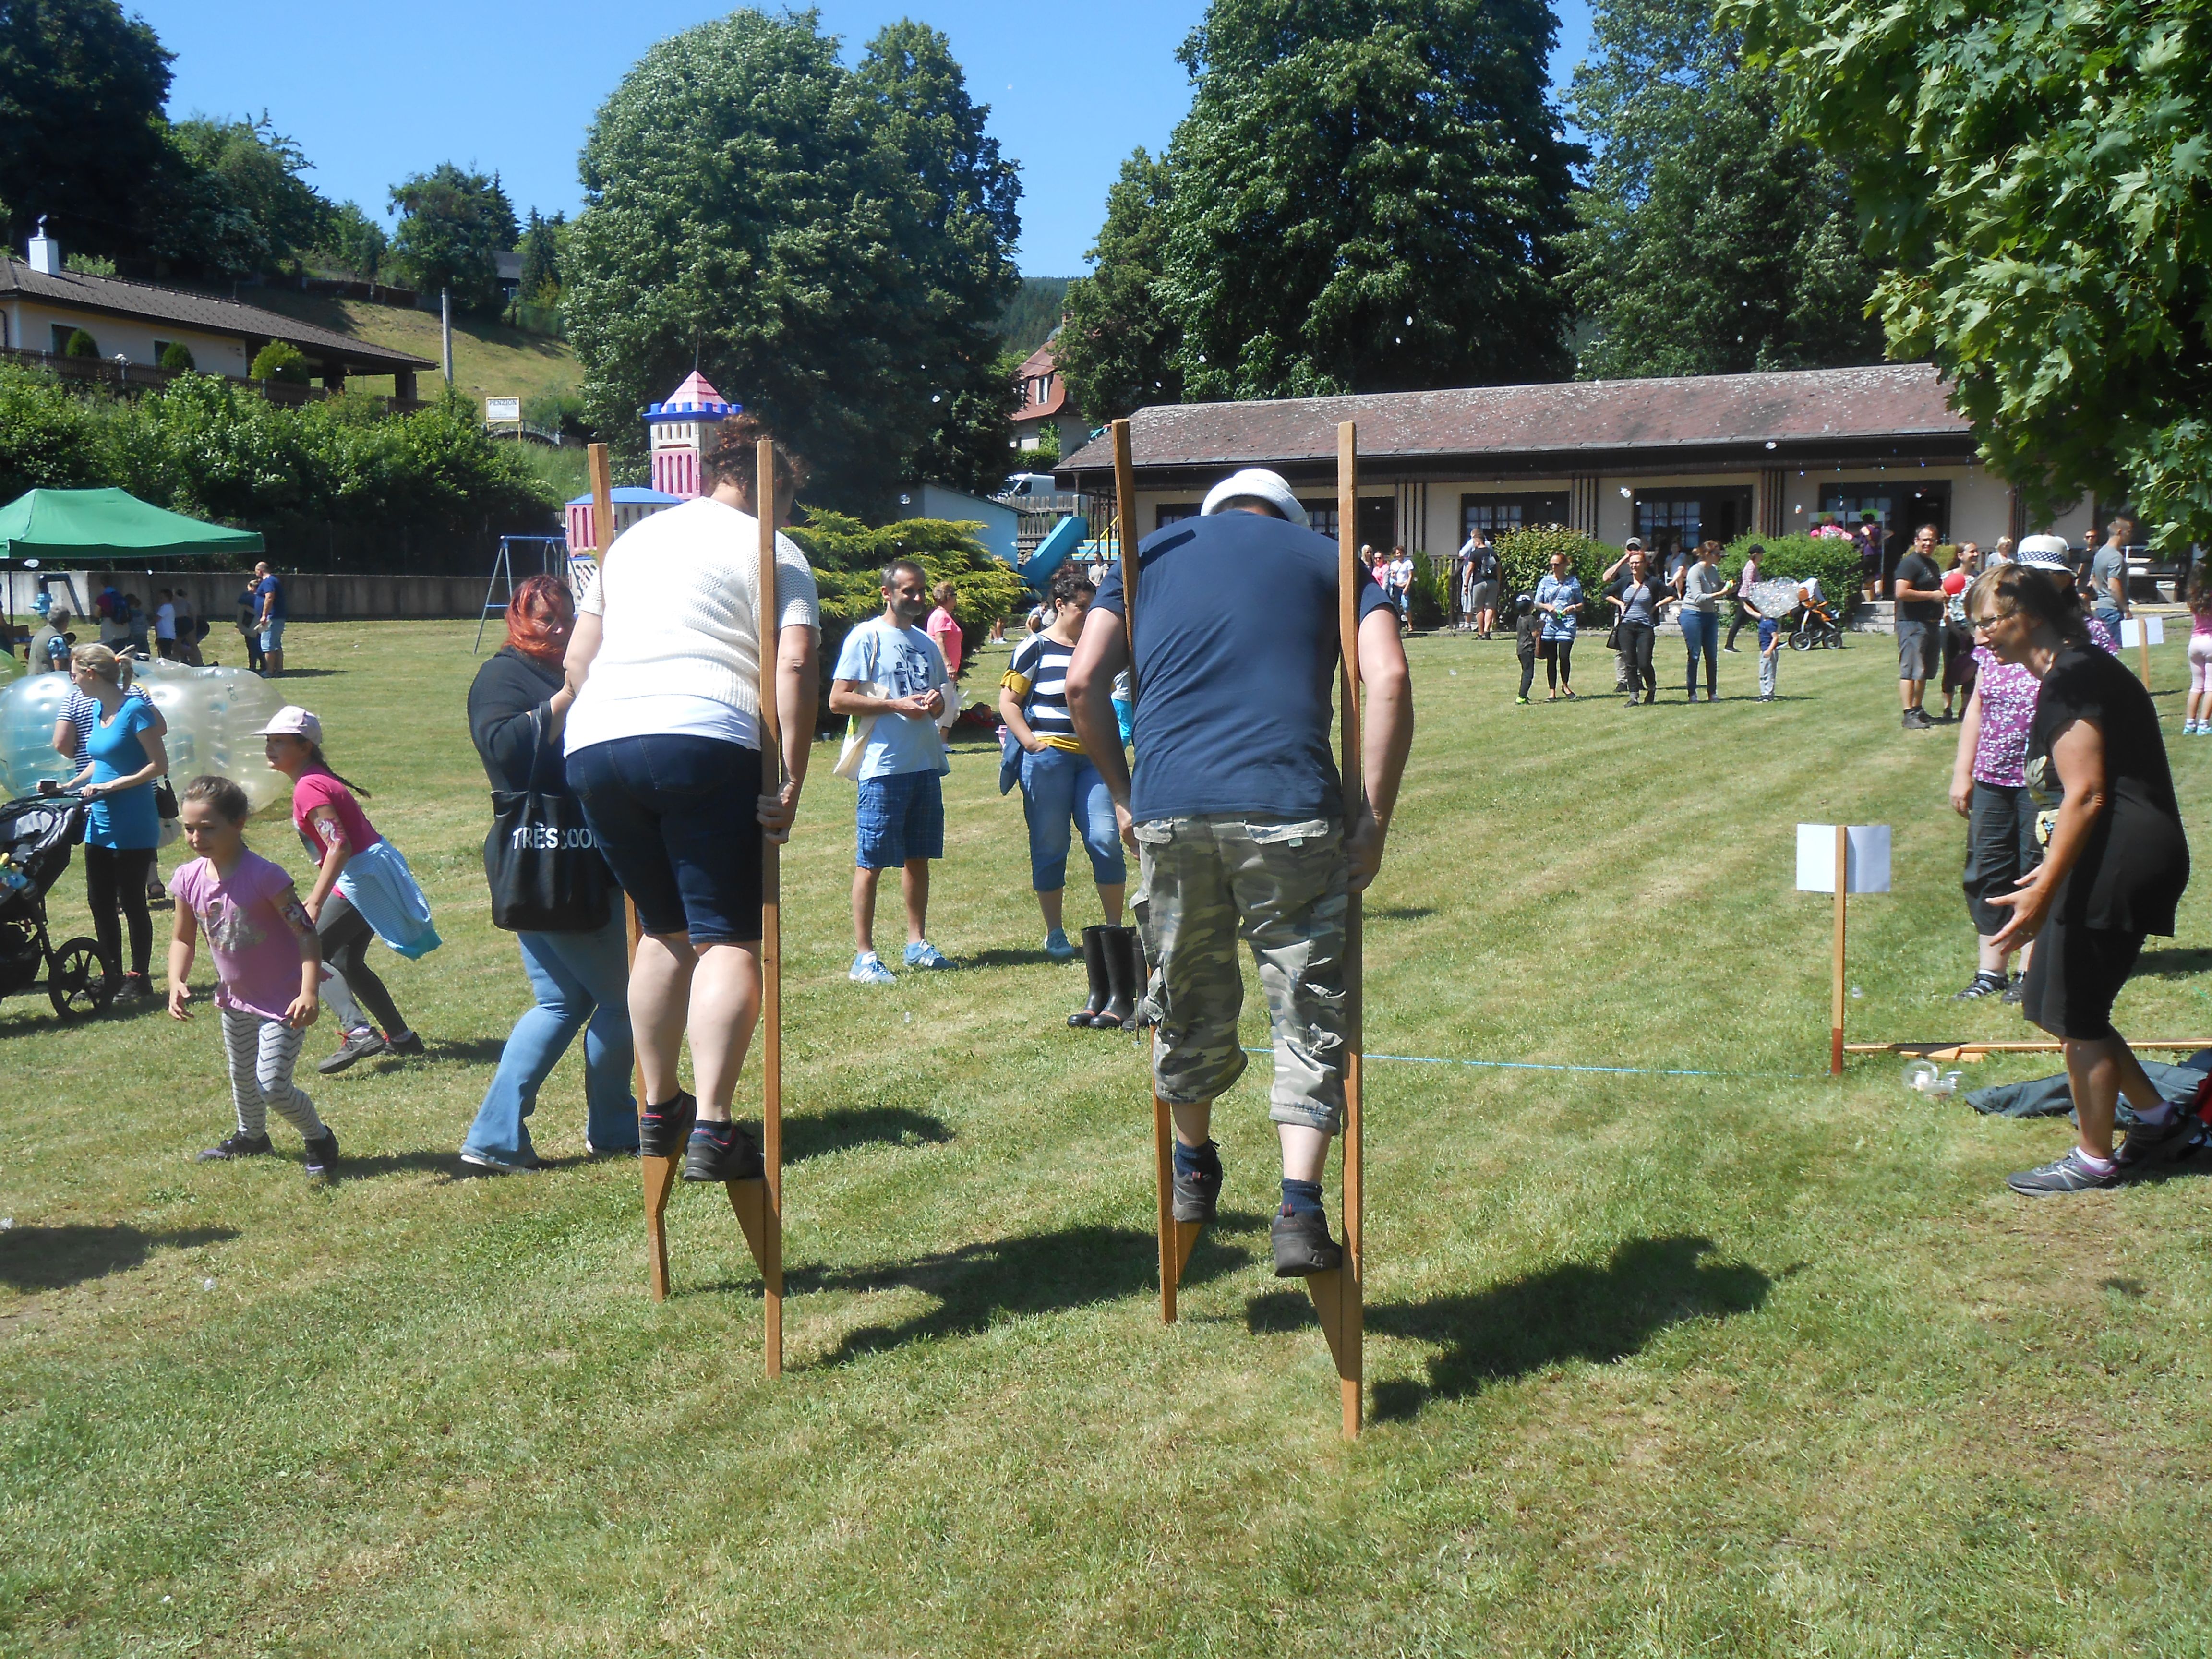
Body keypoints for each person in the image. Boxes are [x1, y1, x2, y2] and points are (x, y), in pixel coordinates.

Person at [1063, 466, 1414, 1275]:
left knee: (1185, 993)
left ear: (1213, 511)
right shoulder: (1329, 559)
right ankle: (1299, 1208)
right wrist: (1372, 823)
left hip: (1171, 806)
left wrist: (1123, 795)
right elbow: (1389, 677)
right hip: (1288, 807)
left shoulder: (1149, 557)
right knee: (1305, 1004)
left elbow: (1082, 681)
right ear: (1285, 517)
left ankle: (1192, 1169)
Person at [563, 414, 820, 1184]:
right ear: (774, 489)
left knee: (661, 930)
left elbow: (578, 659)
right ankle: (712, 1124)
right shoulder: (774, 549)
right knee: (729, 939)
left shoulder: (630, 544)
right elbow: (796, 663)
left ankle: (657, 1105)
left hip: (596, 743)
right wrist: (792, 776)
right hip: (704, 735)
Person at [1969, 565, 2193, 1194]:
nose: (1980, 635)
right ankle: (2158, 1120)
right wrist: (2051, 870)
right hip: (2110, 851)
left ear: (2031, 616)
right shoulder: (2074, 669)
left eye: (1988, 621)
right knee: (2054, 1003)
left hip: (2120, 857)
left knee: (2077, 1012)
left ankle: (2095, 1160)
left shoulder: (2073, 676)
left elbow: (2088, 793)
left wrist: (2044, 889)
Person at [461, 575, 637, 1173]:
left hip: (563, 860)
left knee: (560, 1002)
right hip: (550, 861)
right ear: (519, 620)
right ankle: (614, 1125)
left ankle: (495, 1137)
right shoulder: (502, 676)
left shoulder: (584, 665)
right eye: (545, 619)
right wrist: (566, 698)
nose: (559, 630)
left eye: (567, 618)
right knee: (623, 999)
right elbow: (503, 750)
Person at [167, 774, 339, 1176]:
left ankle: (319, 1138)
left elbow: (305, 933)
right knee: (242, 1076)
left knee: (272, 1085)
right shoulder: (188, 878)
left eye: (208, 828)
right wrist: (176, 980)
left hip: (284, 1001)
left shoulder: (265, 876)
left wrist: (309, 992)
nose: (196, 838)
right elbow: (182, 938)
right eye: (189, 829)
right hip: (236, 998)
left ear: (238, 823)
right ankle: (252, 1137)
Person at [259, 707, 434, 1073]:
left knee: (306, 949)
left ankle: (359, 1032)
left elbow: (339, 846)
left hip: (361, 877)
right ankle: (401, 1037)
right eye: (269, 741)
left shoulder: (309, 786)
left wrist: (316, 901)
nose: (270, 748)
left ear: (305, 747)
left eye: (280, 741)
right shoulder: (313, 779)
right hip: (365, 874)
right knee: (344, 960)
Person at [830, 558, 957, 984]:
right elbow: (838, 700)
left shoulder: (925, 643)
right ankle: (864, 957)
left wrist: (936, 704)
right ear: (886, 593)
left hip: (923, 763)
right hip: (882, 766)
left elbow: (939, 700)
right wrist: (892, 705)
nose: (917, 597)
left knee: (918, 857)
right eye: (908, 591)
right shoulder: (866, 637)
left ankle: (917, 944)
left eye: (921, 590)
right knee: (871, 861)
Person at [1000, 563, 1128, 982]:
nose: (1090, 615)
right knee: (1051, 844)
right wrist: (1032, 744)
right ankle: (1055, 932)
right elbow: (1008, 703)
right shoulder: (1034, 647)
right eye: (1082, 608)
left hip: (1094, 760)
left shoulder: (1096, 649)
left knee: (1106, 839)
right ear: (1060, 605)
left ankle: (1114, 929)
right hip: (1048, 759)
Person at [39, 644, 167, 1001]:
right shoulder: (98, 708)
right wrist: (69, 785)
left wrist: (113, 786)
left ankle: (139, 977)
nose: (73, 681)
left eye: (75, 674)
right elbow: (102, 760)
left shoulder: (135, 709)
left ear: (91, 674)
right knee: (100, 902)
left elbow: (159, 765)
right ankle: (111, 974)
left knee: (133, 901)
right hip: (100, 821)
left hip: (133, 821)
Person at [1947, 574, 2046, 1002]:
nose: (1981, 635)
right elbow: (1976, 708)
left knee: (2034, 869)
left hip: (2042, 784)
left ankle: (2031, 971)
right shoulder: (1991, 655)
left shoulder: (2054, 655)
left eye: (1987, 622)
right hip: (1992, 778)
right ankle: (1991, 971)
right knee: (1986, 871)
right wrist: (1963, 772)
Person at [1893, 522, 1947, 729]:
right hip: (1912, 623)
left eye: (1932, 540)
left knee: (1923, 670)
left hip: (1930, 623)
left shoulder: (1932, 564)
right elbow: (1901, 592)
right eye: (1924, 540)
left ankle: (1918, 710)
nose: (1928, 544)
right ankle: (1908, 714)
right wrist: (1932, 596)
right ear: (1916, 541)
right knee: (1910, 669)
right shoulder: (1910, 564)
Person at [1606, 547, 1670, 706]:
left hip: (1645, 628)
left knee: (1644, 663)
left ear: (1645, 564)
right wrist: (1620, 603)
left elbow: (1673, 594)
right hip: (1626, 627)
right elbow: (1606, 593)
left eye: (1637, 563)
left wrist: (1656, 606)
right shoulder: (1625, 581)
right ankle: (1634, 697)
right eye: (1631, 563)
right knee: (1630, 662)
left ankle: (1651, 688)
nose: (1634, 566)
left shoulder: (1652, 582)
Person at [1675, 540, 1732, 702]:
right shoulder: (1695, 571)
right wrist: (1721, 594)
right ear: (1707, 554)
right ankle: (1692, 693)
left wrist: (1730, 587)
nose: (1720, 557)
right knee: (1694, 655)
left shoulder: (1713, 570)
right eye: (1717, 554)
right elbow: (1699, 598)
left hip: (1709, 615)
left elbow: (1718, 587)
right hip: (1692, 614)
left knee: (1712, 656)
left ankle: (1712, 693)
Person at [1937, 541, 1983, 721]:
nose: (1976, 555)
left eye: (1977, 551)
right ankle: (1947, 708)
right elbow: (1943, 601)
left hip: (1971, 628)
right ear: (1960, 556)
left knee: (1970, 667)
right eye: (1972, 552)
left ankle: (1965, 708)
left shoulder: (1979, 578)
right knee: (1950, 666)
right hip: (1949, 626)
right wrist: (1949, 621)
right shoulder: (1947, 577)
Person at [1535, 550, 1583, 699]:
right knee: (1551, 659)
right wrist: (1547, 607)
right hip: (1549, 624)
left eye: (1556, 564)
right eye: (1552, 565)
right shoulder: (1545, 581)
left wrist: (1572, 608)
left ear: (1564, 565)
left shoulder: (1573, 582)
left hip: (1567, 624)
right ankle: (1552, 692)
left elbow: (1581, 604)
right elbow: (1537, 603)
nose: (1553, 567)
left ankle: (1565, 686)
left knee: (1564, 656)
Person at [2088, 515, 2132, 638]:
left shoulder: (2100, 553)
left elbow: (2093, 579)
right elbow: (2113, 586)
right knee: (2116, 647)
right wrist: (2126, 609)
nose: (2130, 535)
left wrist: (2102, 593)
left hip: (2101, 608)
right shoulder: (2116, 557)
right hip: (2113, 611)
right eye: (2129, 532)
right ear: (2120, 532)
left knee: (2103, 646)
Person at [2185, 564, 2212, 736]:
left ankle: (2190, 723)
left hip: (2195, 642)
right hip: (2210, 641)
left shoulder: (2193, 597)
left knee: (2196, 686)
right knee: (2211, 686)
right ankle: (2204, 724)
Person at [1723, 541, 1762, 652]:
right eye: (1761, 554)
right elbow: (1749, 582)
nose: (1762, 556)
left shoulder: (1753, 565)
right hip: (1747, 597)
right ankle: (1729, 646)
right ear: (1756, 554)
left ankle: (1769, 642)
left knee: (1759, 620)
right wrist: (1759, 587)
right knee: (1761, 619)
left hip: (1748, 597)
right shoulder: (1751, 566)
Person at [252, 561, 287, 677]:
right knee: (276, 644)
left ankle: (269, 671)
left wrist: (264, 615)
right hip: (276, 617)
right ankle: (279, 670)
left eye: (256, 572)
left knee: (268, 645)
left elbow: (270, 597)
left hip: (271, 617)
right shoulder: (272, 581)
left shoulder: (268, 582)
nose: (256, 574)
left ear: (260, 571)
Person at [925, 580, 964, 682]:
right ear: (949, 597)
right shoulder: (942, 616)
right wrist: (948, 666)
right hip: (943, 672)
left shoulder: (941, 615)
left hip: (944, 672)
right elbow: (940, 641)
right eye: (955, 595)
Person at [1466, 528, 1501, 637]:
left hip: (1479, 582)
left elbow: (1470, 569)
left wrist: (1466, 584)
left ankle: (1481, 633)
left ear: (1477, 542)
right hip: (1492, 582)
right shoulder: (1493, 553)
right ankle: (1487, 632)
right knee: (1490, 607)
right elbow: (1499, 568)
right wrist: (1498, 582)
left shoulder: (1474, 554)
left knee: (1479, 608)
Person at [1512, 592, 1541, 705]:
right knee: (1529, 674)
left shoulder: (1520, 618)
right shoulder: (1530, 618)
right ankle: (1522, 697)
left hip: (1520, 649)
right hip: (1528, 648)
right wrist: (1540, 628)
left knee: (1525, 671)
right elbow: (1535, 634)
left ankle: (1523, 695)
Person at [26, 608, 71, 674]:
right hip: (47, 678)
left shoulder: (40, 633)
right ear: (66, 622)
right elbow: (61, 670)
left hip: (32, 678)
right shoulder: (57, 639)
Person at [235, 580, 265, 674]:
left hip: (252, 626)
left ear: (253, 588)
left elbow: (242, 599)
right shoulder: (263, 597)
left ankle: (254, 667)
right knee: (258, 647)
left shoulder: (252, 597)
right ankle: (263, 665)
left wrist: (249, 591)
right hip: (256, 625)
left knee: (253, 648)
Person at [1386, 545, 1416, 626]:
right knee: (1396, 607)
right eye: (1397, 553)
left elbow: (1411, 576)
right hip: (1396, 587)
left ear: (1404, 553)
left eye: (1401, 553)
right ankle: (1397, 625)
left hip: (1405, 587)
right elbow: (1392, 576)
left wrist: (1406, 587)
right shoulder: (1393, 564)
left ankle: (1410, 625)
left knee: (1406, 605)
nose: (1399, 555)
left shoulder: (1408, 563)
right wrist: (1393, 575)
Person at [153, 590, 178, 660]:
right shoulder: (168, 607)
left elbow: (157, 618)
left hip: (166, 635)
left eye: (162, 597)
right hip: (166, 635)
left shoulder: (166, 607)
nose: (159, 599)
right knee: (165, 653)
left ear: (167, 598)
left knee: (166, 655)